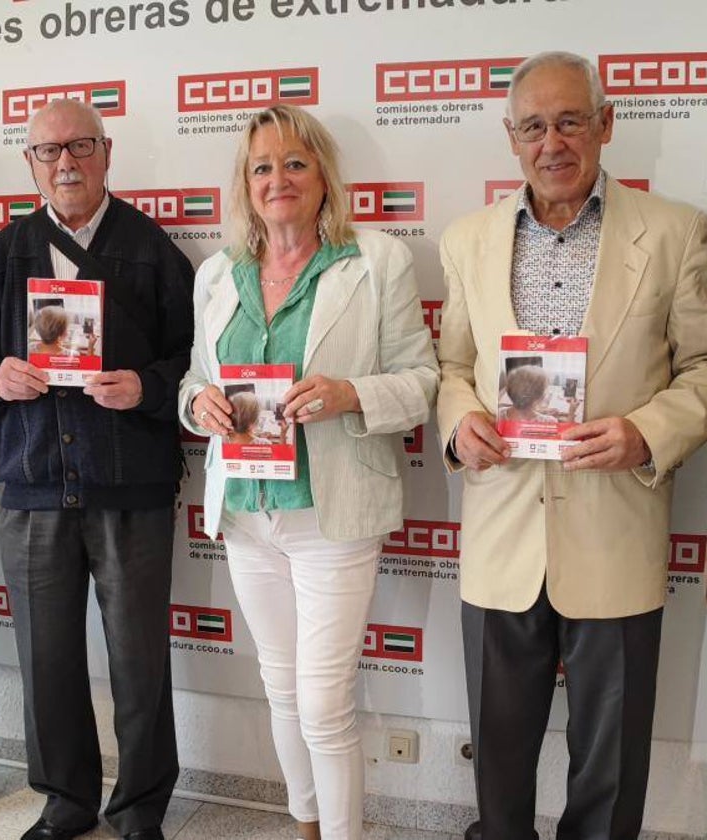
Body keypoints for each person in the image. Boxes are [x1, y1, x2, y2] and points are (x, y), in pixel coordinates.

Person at [436, 51, 707, 840]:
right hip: (501, 528)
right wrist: (459, 422)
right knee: (499, 754)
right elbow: (453, 365)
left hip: (615, 525)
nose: (551, 143)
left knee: (609, 762)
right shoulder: (467, 240)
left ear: (606, 125)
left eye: (569, 121)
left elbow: (700, 368)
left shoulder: (675, 232)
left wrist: (644, 433)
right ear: (511, 138)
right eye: (532, 127)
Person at [178, 104, 438, 840]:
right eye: (262, 167)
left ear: (324, 175)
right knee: (280, 687)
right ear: (245, 185)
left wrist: (351, 393)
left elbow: (421, 379)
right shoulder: (216, 274)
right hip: (247, 514)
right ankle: (306, 825)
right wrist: (199, 405)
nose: (278, 179)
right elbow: (195, 381)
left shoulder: (376, 261)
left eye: (295, 163)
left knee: (325, 702)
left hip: (332, 514)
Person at [0, 98, 193, 840]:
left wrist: (147, 387)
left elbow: (196, 366)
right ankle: (66, 800)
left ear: (107, 152)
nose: (66, 161)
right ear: (29, 163)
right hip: (32, 489)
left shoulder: (153, 251)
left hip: (131, 488)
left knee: (138, 663)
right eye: (48, 150)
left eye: (81, 146)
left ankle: (141, 809)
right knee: (47, 660)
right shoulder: (4, 256)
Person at [499, 366, 578, 424]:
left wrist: (541, 412)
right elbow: (567, 435)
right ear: (541, 397)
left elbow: (522, 411)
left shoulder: (499, 414)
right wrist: (572, 411)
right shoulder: (549, 421)